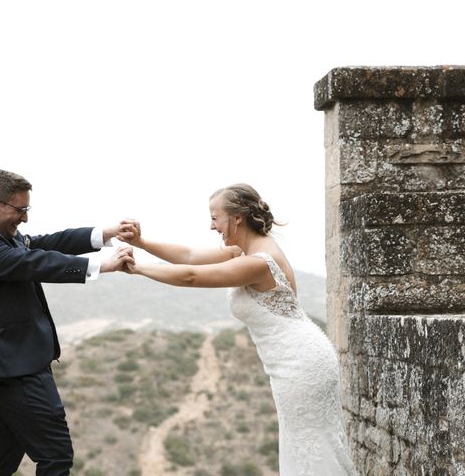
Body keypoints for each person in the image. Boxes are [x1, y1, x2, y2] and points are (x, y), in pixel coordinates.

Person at [118, 183, 358, 475]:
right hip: (293, 362)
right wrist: (143, 243)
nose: (211, 226)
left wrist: (138, 268)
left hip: (301, 364)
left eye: (214, 217)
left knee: (311, 448)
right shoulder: (242, 251)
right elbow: (190, 256)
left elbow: (192, 276)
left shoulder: (260, 262)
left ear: (237, 219)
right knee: (305, 446)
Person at [0, 169, 134, 476]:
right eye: (19, 210)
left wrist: (105, 234)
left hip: (16, 366)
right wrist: (103, 265)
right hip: (16, 369)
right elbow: (35, 263)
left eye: (26, 210)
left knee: (0, 462)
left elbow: (50, 244)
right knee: (56, 456)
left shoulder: (3, 239)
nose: (24, 219)